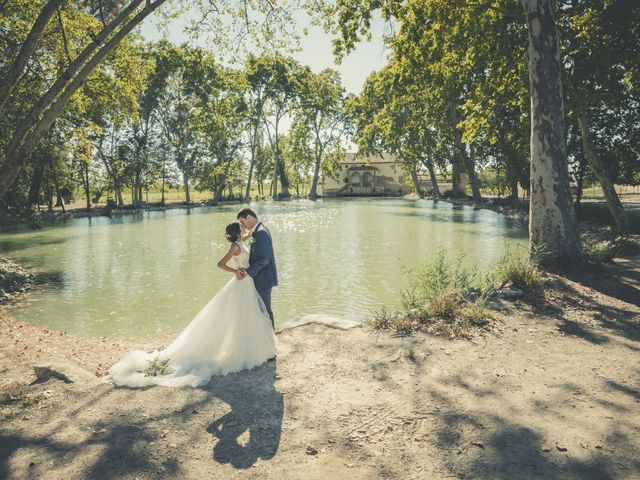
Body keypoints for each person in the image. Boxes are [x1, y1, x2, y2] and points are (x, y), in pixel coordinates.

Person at [108, 222, 276, 388]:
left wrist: (253, 233)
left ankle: (242, 349)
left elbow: (248, 237)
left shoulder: (240, 242)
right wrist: (235, 271)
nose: (243, 227)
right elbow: (220, 264)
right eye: (241, 227)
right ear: (238, 233)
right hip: (241, 283)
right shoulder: (234, 247)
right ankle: (241, 353)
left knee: (244, 318)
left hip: (247, 283)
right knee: (240, 317)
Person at [236, 208, 278, 329]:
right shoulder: (257, 231)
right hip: (259, 277)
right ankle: (266, 337)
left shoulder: (261, 233)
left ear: (249, 217)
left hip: (263, 279)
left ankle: (270, 338)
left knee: (265, 309)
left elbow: (265, 259)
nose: (242, 225)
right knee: (261, 310)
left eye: (242, 222)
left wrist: (247, 272)